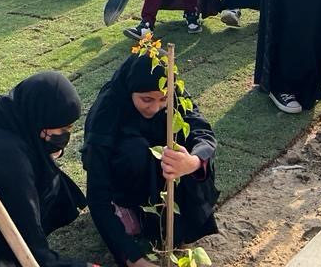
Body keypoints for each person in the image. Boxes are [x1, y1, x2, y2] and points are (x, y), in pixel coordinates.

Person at [82, 53, 219, 267]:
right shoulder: (107, 110)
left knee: (190, 150)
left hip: (164, 170)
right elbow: (97, 193)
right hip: (127, 175)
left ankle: (175, 224)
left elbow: (202, 132)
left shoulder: (174, 92)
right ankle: (128, 212)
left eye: (164, 99)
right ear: (131, 90)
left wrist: (192, 162)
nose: (155, 108)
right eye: (146, 99)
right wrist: (133, 259)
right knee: (136, 151)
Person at [0, 72, 95, 267]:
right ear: (41, 120)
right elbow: (32, 254)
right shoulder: (11, 165)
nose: (65, 136)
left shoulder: (6, 110)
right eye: (62, 130)